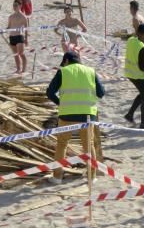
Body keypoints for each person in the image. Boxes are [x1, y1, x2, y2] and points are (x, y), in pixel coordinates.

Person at [45, 51, 105, 182]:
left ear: (66, 61)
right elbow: (101, 93)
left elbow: (49, 92)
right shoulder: (90, 71)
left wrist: (60, 103)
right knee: (89, 146)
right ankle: (92, 176)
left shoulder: (64, 71)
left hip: (67, 114)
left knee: (62, 145)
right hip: (88, 115)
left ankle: (57, 177)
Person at [123, 24, 144, 129]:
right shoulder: (142, 47)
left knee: (142, 94)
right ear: (142, 33)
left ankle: (129, 115)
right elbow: (142, 67)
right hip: (140, 75)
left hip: (130, 74)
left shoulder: (131, 40)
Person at [6, 0, 29, 74]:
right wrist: (2, 30)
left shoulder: (23, 17)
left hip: (19, 36)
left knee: (21, 54)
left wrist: (26, 39)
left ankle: (24, 69)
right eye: (13, 5)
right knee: (15, 55)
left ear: (20, 6)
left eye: (16, 5)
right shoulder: (11, 17)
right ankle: (18, 69)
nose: (14, 7)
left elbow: (26, 29)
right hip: (12, 37)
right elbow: (9, 27)